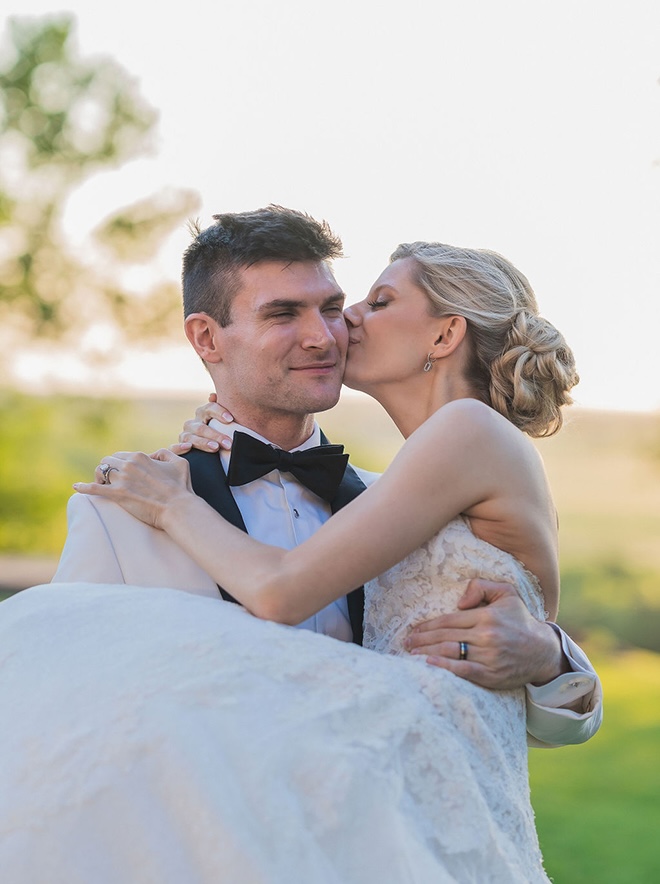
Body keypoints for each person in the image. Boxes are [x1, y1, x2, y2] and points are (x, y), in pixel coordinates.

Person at [0, 208, 600, 883]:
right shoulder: (123, 508)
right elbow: (64, 727)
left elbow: (518, 704)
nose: (329, 334)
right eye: (284, 313)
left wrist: (549, 656)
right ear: (207, 336)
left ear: (445, 333)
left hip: (393, 841)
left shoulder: (394, 500)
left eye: (338, 306)